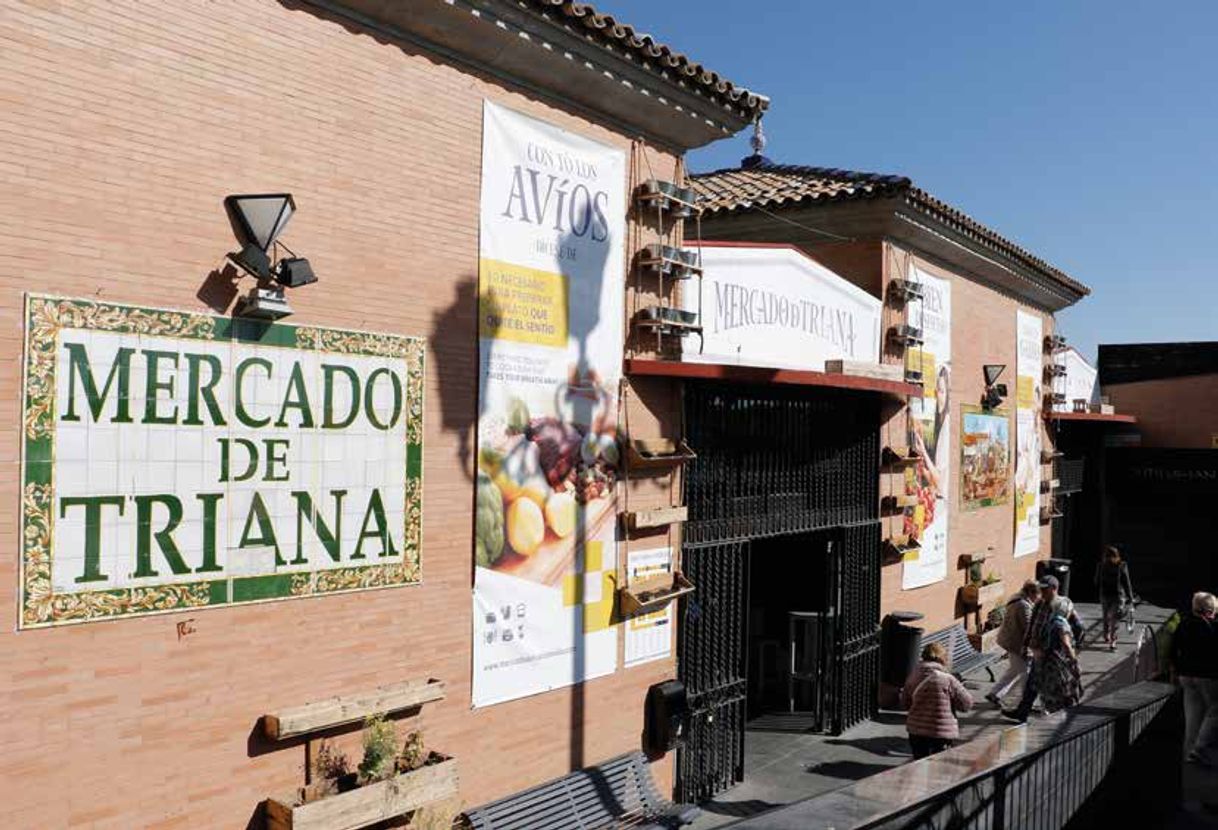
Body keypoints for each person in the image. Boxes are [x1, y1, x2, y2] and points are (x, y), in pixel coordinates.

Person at [1002, 574, 1083, 722]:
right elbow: (1031, 626)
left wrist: (1074, 650)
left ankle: (1062, 713)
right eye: (1041, 589)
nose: (1042, 592)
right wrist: (1025, 645)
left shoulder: (1063, 605)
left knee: (1054, 686)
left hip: (1054, 655)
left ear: (1054, 588)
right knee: (1033, 683)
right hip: (1038, 652)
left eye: (1046, 589)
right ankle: (1023, 711)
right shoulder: (1039, 604)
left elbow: (1077, 626)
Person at [902, 641, 974, 759]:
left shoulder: (913, 676)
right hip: (941, 733)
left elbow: (905, 703)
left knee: (919, 764)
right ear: (942, 659)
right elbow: (967, 704)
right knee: (938, 766)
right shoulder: (948, 679)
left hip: (916, 730)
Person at [1171, 591, 1218, 767]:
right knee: (1215, 711)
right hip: (1208, 676)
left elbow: (1173, 649)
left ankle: (1189, 753)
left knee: (1192, 715)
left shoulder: (1183, 624)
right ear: (1209, 610)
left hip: (1186, 676)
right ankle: (1199, 749)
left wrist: (1177, 669)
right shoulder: (1213, 627)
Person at [986, 580, 1040, 706]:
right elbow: (1028, 627)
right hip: (1016, 643)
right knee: (1025, 673)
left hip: (1011, 640)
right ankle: (1023, 702)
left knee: (1015, 670)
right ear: (1031, 593)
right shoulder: (1023, 605)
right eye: (1038, 595)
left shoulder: (1020, 599)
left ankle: (995, 694)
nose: (1039, 598)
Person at [1034, 610, 1083, 712]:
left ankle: (1050, 710)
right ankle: (1060, 714)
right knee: (1062, 690)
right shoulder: (1060, 624)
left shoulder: (1046, 620)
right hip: (1057, 662)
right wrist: (1074, 661)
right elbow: (1066, 645)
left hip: (1045, 660)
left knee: (1049, 690)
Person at [1094, 546, 1135, 651]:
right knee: (1106, 616)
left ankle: (1113, 640)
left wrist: (1130, 597)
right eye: (1107, 557)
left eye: (1111, 557)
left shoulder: (1122, 566)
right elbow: (1096, 581)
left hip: (1118, 596)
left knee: (1114, 618)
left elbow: (1126, 582)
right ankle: (1106, 634)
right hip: (1105, 595)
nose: (1109, 559)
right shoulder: (1101, 565)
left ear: (1116, 556)